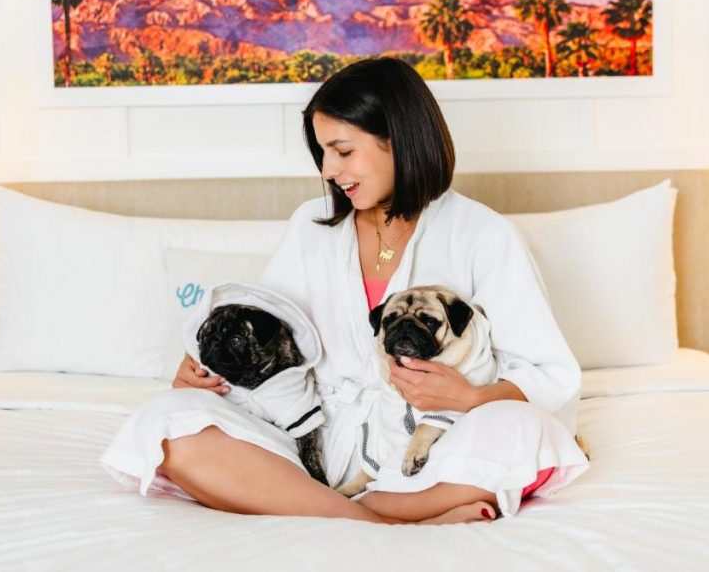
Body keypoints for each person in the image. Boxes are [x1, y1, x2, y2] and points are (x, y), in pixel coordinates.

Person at [163, 57, 587, 524]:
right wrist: (206, 374)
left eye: (342, 151)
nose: (327, 170)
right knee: (170, 424)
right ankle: (381, 518)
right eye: (322, 154)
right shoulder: (310, 228)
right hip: (315, 441)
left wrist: (469, 398)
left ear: (398, 141)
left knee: (523, 431)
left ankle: (321, 506)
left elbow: (550, 373)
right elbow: (270, 337)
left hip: (435, 439)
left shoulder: (482, 233)